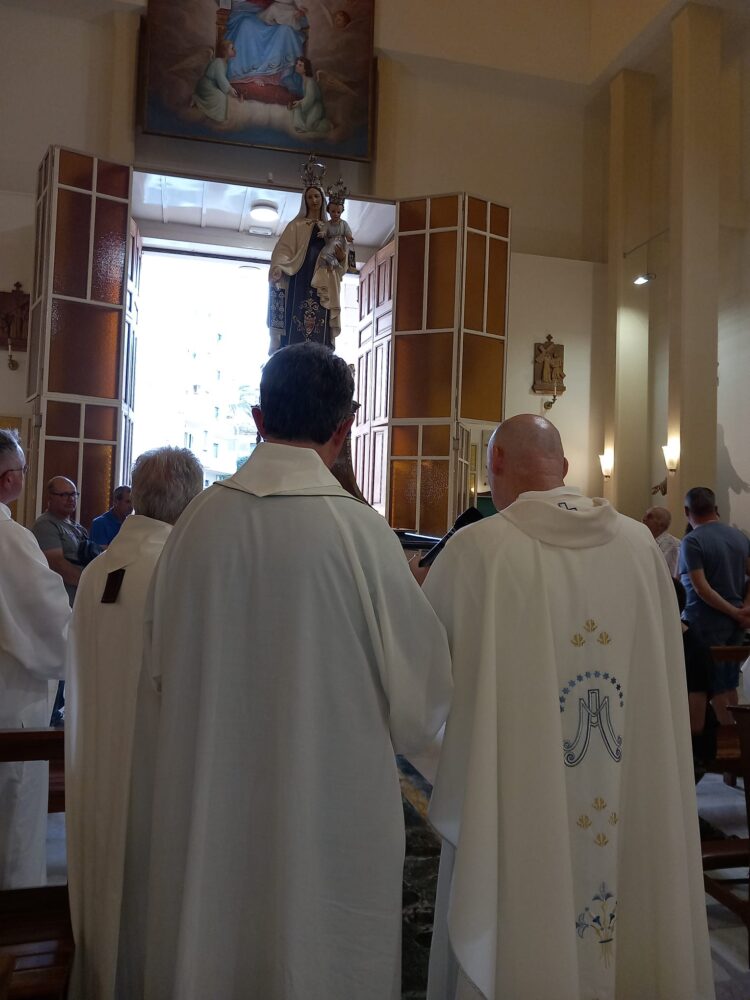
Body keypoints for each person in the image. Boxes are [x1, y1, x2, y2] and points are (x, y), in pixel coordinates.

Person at [129, 343, 452, 1000]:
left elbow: (157, 670)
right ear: (344, 429)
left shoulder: (196, 525)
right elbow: (423, 700)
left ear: (257, 417)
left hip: (211, 805)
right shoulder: (361, 533)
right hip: (329, 815)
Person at [422, 414, 713, 1000]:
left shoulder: (477, 550)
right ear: (566, 469)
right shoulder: (640, 547)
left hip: (519, 797)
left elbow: (421, 684)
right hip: (628, 787)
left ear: (495, 462)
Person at [65, 447, 203, 1000]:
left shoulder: (100, 570)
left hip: (96, 768)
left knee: (105, 890)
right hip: (154, 773)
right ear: (189, 502)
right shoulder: (176, 573)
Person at [0, 430, 70, 889]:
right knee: (13, 834)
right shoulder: (12, 540)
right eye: (24, 470)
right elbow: (51, 623)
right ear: (9, 479)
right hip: (10, 706)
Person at [679, 485, 750, 723]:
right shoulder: (738, 536)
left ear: (686, 510)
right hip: (736, 624)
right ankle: (740, 736)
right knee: (729, 681)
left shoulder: (692, 541)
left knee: (715, 686)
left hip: (705, 622)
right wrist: (744, 609)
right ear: (716, 509)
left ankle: (730, 742)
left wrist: (734, 611)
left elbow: (701, 588)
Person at [267, 184, 344, 352]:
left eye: (317, 196)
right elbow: (283, 250)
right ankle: (289, 348)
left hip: (323, 278)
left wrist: (341, 258)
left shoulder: (331, 226)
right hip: (299, 277)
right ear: (305, 201)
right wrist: (279, 266)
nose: (314, 200)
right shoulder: (296, 226)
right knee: (295, 314)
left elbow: (341, 261)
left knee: (321, 317)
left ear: (323, 199)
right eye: (310, 197)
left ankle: (321, 350)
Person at [32, 476, 95, 606]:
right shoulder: (45, 524)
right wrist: (93, 584)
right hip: (61, 602)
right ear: (50, 497)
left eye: (73, 494)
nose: (71, 499)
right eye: (64, 495)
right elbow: (57, 564)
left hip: (81, 599)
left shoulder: (78, 527)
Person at [191, 39, 241, 123]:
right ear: (225, 51)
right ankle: (197, 100)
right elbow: (221, 78)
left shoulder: (224, 63)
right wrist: (229, 89)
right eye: (231, 48)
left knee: (223, 97)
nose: (234, 50)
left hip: (212, 85)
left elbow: (221, 79)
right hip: (206, 85)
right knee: (220, 98)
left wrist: (229, 88)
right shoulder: (218, 62)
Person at [290, 57, 331, 134]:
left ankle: (328, 125)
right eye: (297, 64)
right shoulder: (304, 80)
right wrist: (299, 103)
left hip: (316, 107)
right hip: (309, 105)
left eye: (300, 65)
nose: (296, 66)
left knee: (311, 126)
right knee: (297, 107)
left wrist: (300, 102)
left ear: (305, 69)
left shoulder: (310, 82)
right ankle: (300, 127)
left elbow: (310, 98)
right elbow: (307, 98)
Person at [643, 504, 680, 577]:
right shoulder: (641, 539)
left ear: (661, 525)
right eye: (645, 515)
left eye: (649, 517)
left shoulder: (675, 546)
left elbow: (674, 576)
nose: (644, 518)